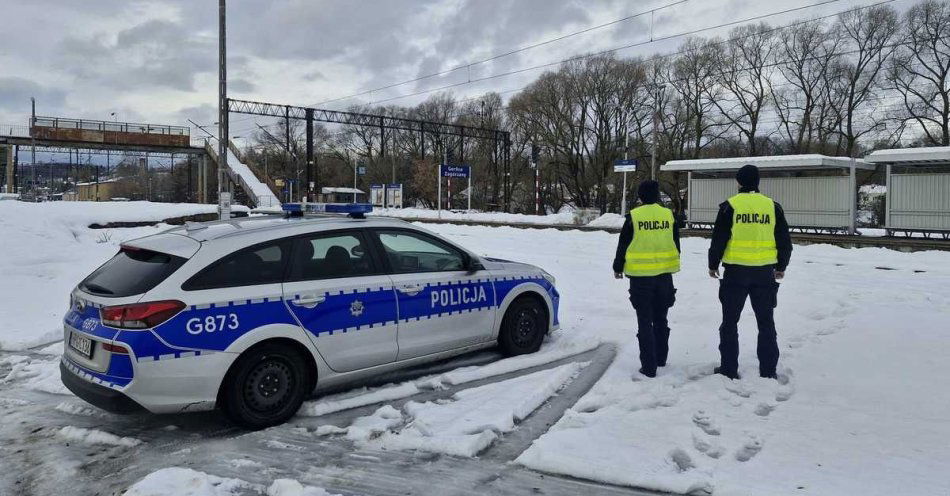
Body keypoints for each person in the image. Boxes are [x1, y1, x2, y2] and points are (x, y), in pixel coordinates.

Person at [708, 164, 792, 380]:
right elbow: (784, 241)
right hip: (764, 273)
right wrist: (781, 266)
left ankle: (728, 369)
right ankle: (768, 370)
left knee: (729, 322)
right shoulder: (773, 207)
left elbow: (719, 239)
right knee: (766, 322)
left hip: (735, 272)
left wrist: (713, 263)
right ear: (758, 182)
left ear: (738, 182)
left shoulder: (729, 206)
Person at [613, 180, 681, 378]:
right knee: (661, 318)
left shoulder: (634, 216)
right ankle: (661, 357)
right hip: (664, 276)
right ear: (658, 195)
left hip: (641, 278)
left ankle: (649, 366)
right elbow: (676, 243)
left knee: (644, 321)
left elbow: (623, 244)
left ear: (641, 196)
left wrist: (618, 267)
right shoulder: (668, 215)